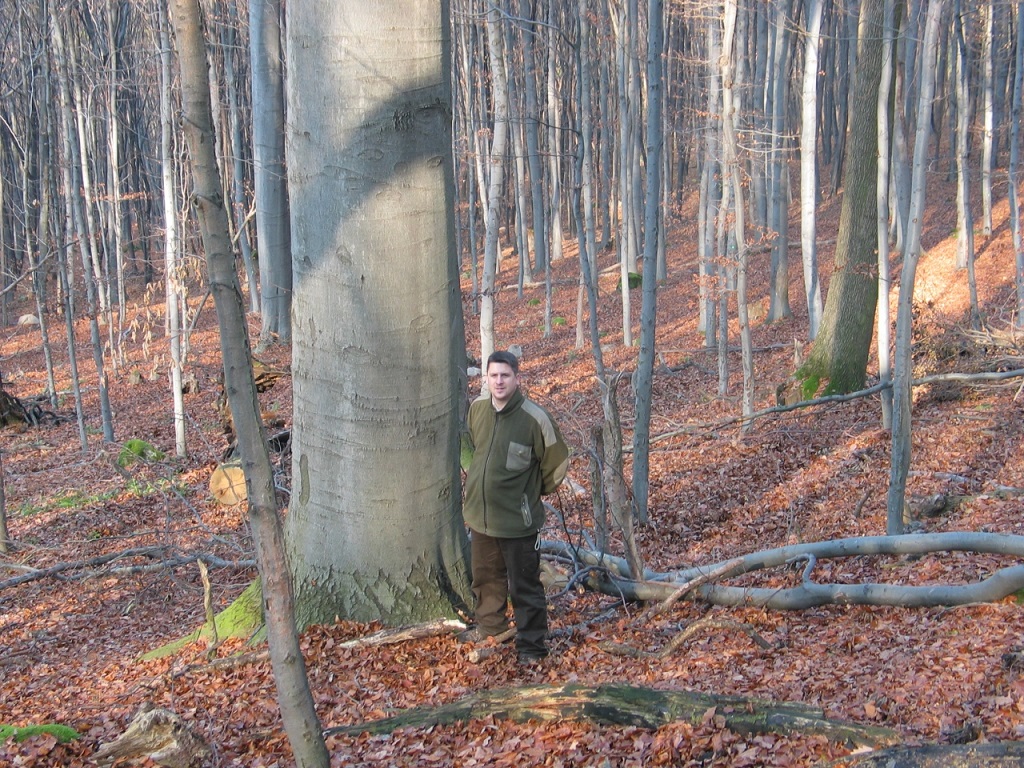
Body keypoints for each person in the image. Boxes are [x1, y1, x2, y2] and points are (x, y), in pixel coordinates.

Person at [462, 350, 569, 665]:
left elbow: (557, 462)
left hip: (519, 523)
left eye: (505, 375)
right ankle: (490, 627)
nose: (498, 381)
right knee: (485, 578)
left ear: (517, 378)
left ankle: (532, 647)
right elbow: (475, 448)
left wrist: (533, 492)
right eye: (493, 375)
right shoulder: (478, 409)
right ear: (486, 379)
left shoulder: (535, 418)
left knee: (525, 585)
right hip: (481, 518)